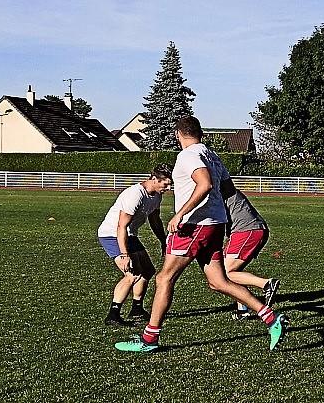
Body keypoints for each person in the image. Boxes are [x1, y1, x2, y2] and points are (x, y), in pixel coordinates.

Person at [115, 116, 289, 352]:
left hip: (194, 225)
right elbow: (227, 189)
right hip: (214, 224)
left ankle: (149, 339)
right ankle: (270, 318)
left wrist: (180, 214)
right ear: (201, 133)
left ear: (178, 134)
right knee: (218, 282)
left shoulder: (188, 156)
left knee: (164, 278)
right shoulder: (212, 156)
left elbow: (204, 184)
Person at [97, 165, 170, 327]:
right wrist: (124, 255)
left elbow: (155, 220)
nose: (168, 188)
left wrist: (163, 240)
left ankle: (136, 309)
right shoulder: (135, 195)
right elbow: (121, 226)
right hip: (112, 234)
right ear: (154, 179)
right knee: (132, 274)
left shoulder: (156, 195)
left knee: (148, 271)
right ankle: (113, 315)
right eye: (165, 184)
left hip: (129, 234)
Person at [222, 185, 280, 320]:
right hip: (250, 230)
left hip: (247, 230)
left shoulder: (216, 190)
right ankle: (242, 310)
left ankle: (266, 284)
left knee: (225, 274)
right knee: (235, 271)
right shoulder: (220, 188)